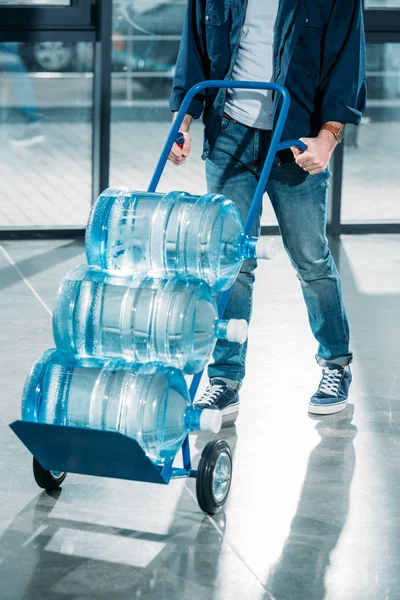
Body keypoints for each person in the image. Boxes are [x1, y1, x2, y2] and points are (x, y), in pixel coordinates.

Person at [168, 0, 366, 424]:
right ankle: (224, 379)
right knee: (230, 262)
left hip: (295, 139)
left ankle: (336, 365)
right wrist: (181, 124)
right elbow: (195, 51)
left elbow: (346, 64)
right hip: (229, 136)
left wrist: (327, 140)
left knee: (310, 257)